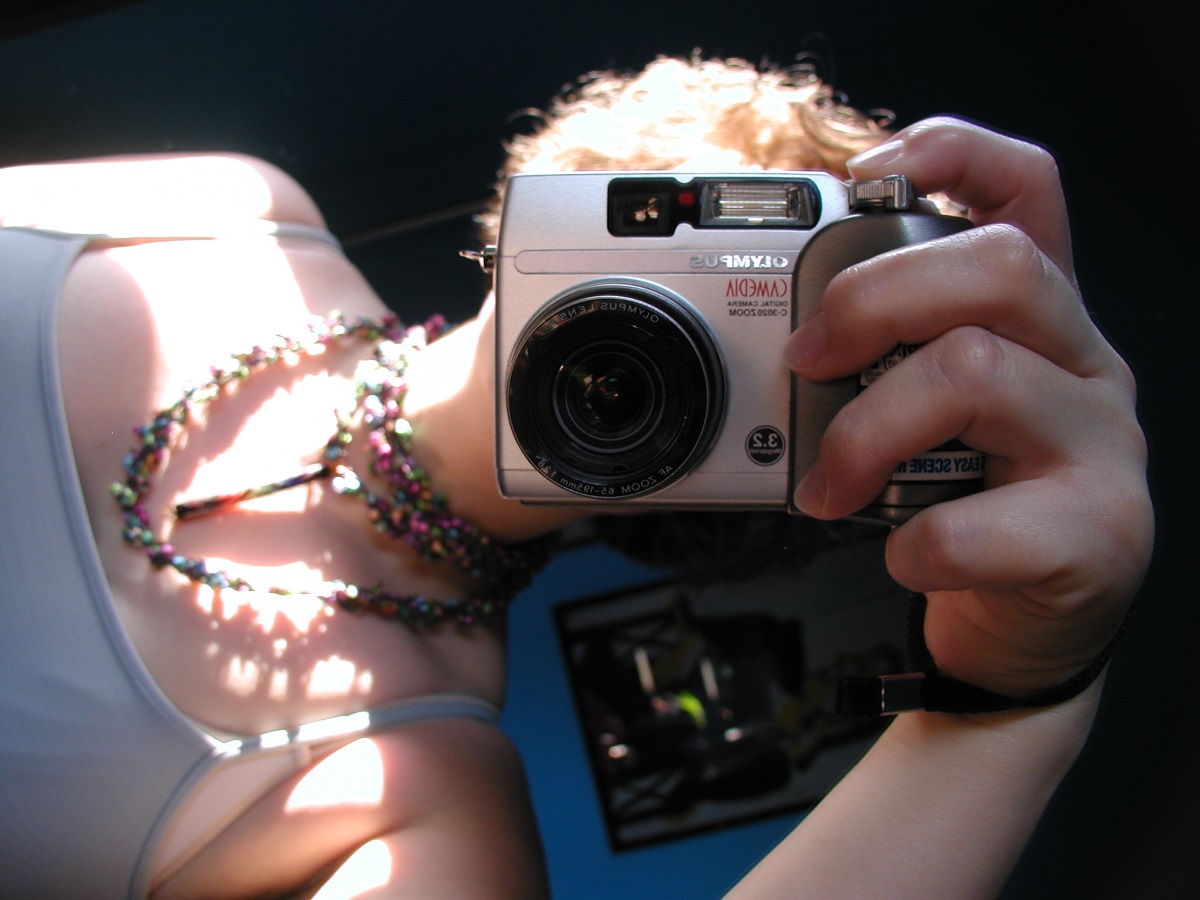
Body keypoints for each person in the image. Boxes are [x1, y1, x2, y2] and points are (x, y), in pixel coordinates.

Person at [0, 54, 1151, 898]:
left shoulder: (422, 799)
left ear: (808, 477)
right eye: (714, 238)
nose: (677, 336)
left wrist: (1013, 703)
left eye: (788, 344)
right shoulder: (237, 214)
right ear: (594, 172)